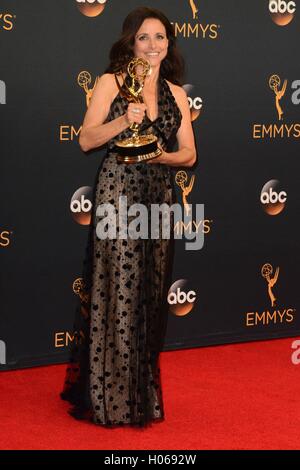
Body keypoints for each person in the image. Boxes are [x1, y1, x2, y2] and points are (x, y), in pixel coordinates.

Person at [61, 6, 196, 428]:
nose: (153, 45)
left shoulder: (176, 93)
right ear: (130, 42)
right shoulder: (111, 82)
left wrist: (161, 156)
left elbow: (189, 154)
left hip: (158, 196)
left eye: (160, 37)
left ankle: (141, 393)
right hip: (117, 191)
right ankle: (107, 396)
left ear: (169, 44)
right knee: (116, 289)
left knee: (150, 294)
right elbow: (86, 139)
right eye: (144, 37)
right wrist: (123, 120)